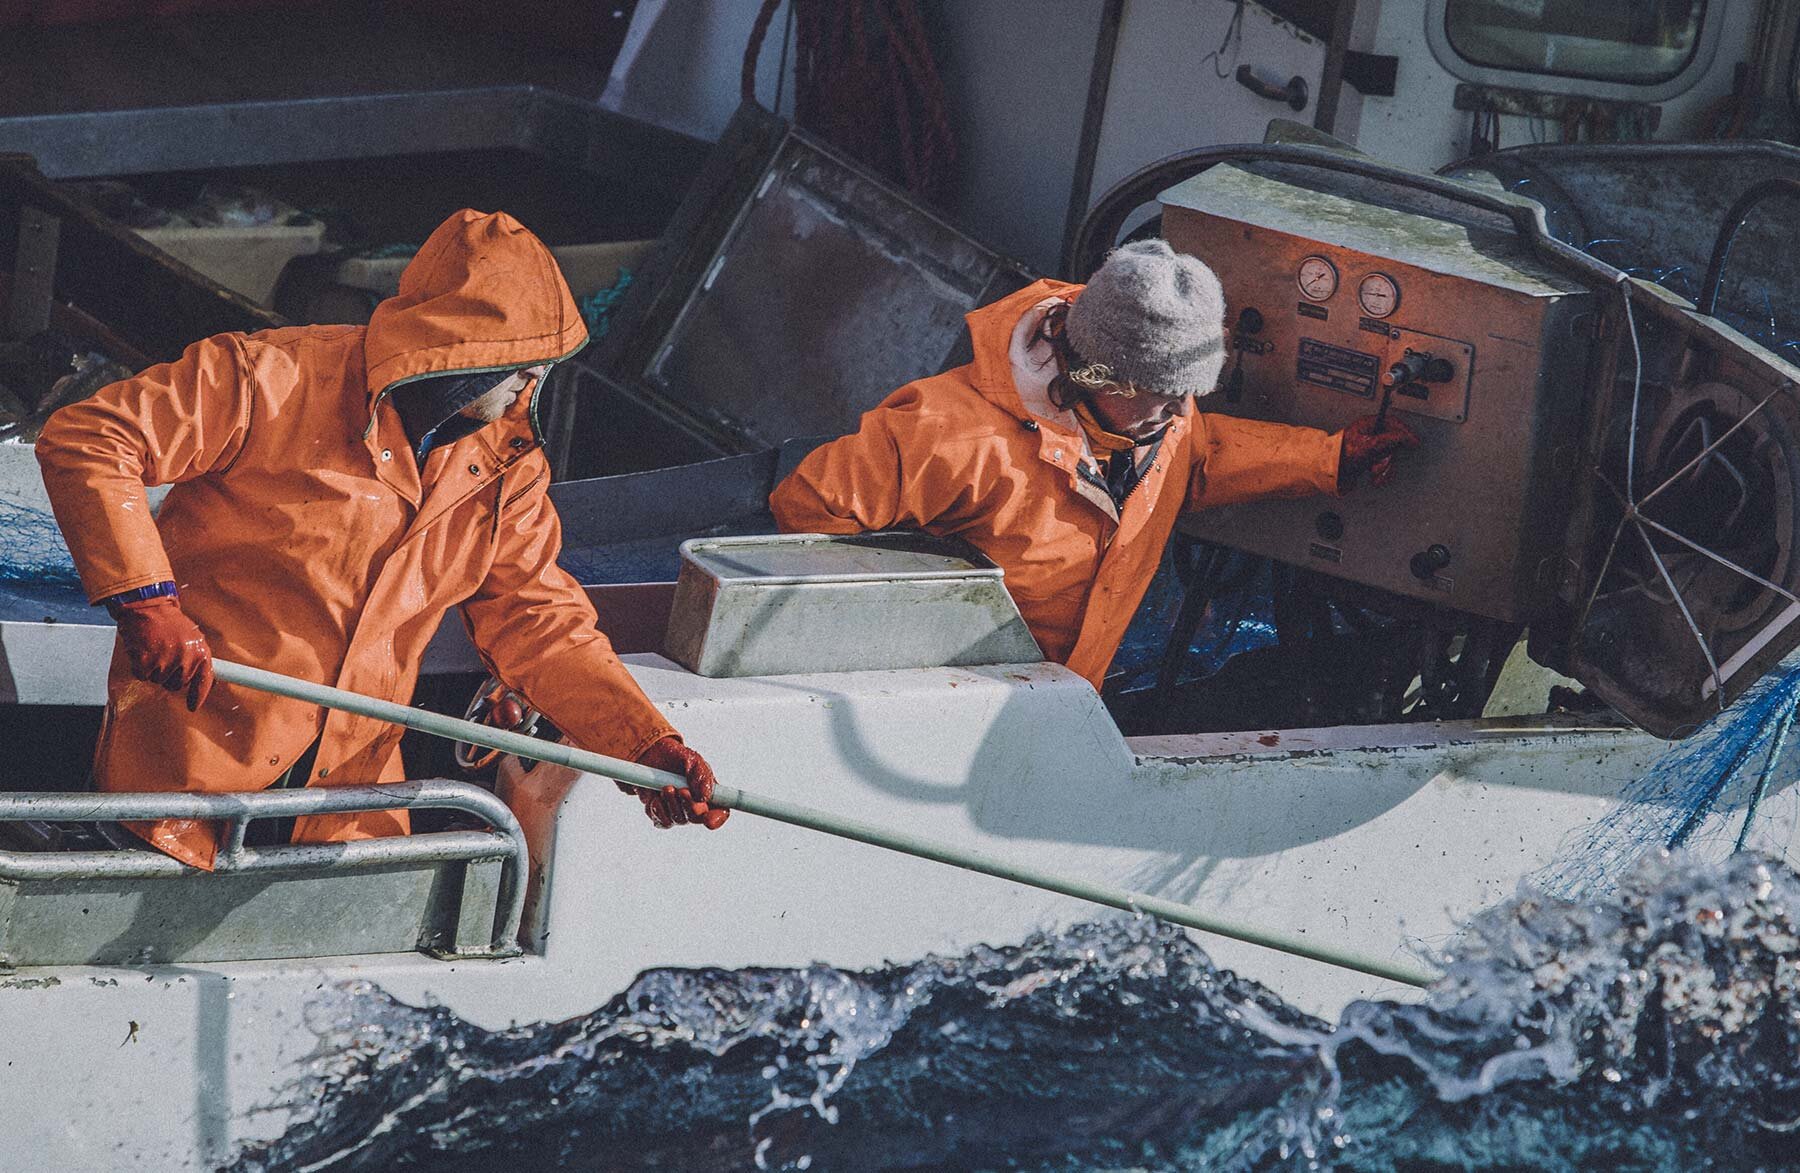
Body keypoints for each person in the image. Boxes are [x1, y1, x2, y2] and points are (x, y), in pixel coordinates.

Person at [36, 208, 724, 871]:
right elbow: (91, 439)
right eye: (521, 366)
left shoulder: (509, 471)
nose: (531, 386)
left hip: (348, 813)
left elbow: (540, 622)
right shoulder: (266, 377)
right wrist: (148, 602)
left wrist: (644, 744)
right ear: (467, 355)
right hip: (183, 787)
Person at [770, 239, 1420, 691]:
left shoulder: (1161, 418)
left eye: (1186, 396)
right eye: (1164, 397)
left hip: (1059, 707)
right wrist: (901, 644)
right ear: (1100, 373)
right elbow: (807, 507)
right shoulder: (949, 431)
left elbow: (1196, 460)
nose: (1177, 414)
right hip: (941, 705)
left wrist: (1331, 457)